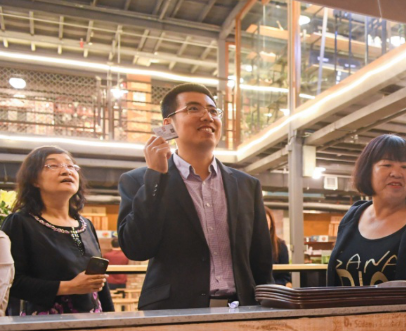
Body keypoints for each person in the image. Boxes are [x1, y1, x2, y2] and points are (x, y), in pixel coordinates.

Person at [117, 83, 273, 309]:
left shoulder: (246, 185)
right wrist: (155, 177)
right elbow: (137, 248)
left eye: (212, 111)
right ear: (168, 124)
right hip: (174, 312)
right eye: (193, 109)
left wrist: (266, 309)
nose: (207, 116)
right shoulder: (140, 181)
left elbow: (261, 260)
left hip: (243, 309)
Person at [0, 146, 112, 315]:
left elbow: (98, 285)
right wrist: (69, 287)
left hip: (91, 322)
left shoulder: (85, 224)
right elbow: (12, 282)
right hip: (42, 327)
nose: (66, 170)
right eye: (53, 165)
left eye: (70, 166)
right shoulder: (20, 222)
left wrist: (111, 320)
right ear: (34, 180)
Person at [327, 134, 406, 286]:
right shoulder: (350, 219)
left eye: (405, 167)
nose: (397, 173)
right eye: (387, 165)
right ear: (367, 171)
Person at [265, 206, 291, 287]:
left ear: (271, 224)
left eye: (265, 221)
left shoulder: (280, 245)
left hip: (275, 291)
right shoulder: (248, 246)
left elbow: (285, 277)